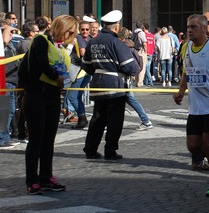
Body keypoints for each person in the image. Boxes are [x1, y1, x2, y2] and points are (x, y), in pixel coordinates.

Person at [173, 14, 209, 197]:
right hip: (196, 107)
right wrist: (181, 92)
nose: (190, 30)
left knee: (208, 145)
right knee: (193, 146)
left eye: (194, 27)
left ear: (205, 28)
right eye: (189, 27)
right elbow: (186, 71)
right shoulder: (186, 47)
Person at [20, 14, 79, 194]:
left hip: (53, 95)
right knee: (36, 140)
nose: (72, 36)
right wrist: (57, 77)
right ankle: (32, 181)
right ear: (63, 28)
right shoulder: (40, 40)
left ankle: (46, 177)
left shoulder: (59, 46)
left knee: (48, 140)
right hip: (37, 95)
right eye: (71, 32)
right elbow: (42, 64)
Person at [82, 10, 140, 161]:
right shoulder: (116, 43)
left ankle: (90, 149)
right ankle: (110, 151)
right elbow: (131, 67)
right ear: (116, 27)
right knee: (115, 121)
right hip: (115, 86)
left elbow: (87, 65)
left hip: (97, 84)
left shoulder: (92, 42)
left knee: (97, 119)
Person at [117, 27, 154, 131]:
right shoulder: (130, 46)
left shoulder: (123, 48)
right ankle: (145, 120)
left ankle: (146, 121)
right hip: (126, 78)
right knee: (128, 100)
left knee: (127, 99)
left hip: (123, 79)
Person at [0, 22, 20, 148]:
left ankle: (6, 136)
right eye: (10, 32)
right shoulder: (3, 44)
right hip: (5, 81)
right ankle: (2, 138)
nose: (12, 34)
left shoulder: (12, 45)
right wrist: (8, 27)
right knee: (4, 111)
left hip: (12, 81)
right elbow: (5, 39)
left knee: (10, 111)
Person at [132, 21, 148, 87]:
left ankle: (136, 82)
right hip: (141, 51)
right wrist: (146, 52)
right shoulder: (141, 33)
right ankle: (140, 83)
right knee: (142, 67)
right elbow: (144, 43)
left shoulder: (134, 32)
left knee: (136, 66)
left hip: (134, 51)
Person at [143, 23, 155, 87]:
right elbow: (153, 44)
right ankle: (146, 82)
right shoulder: (152, 35)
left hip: (146, 52)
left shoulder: (144, 35)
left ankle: (150, 82)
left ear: (144, 28)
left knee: (146, 69)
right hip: (151, 53)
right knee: (148, 68)